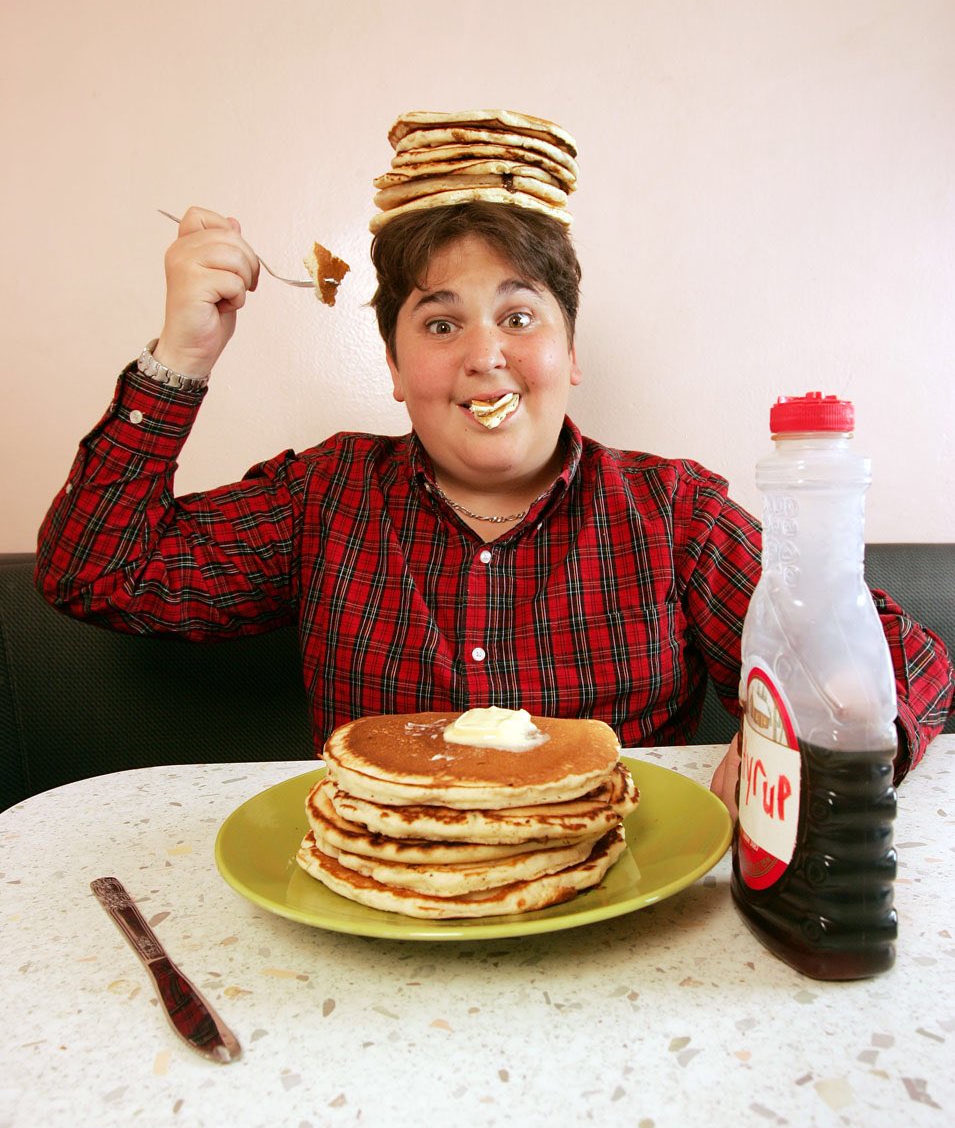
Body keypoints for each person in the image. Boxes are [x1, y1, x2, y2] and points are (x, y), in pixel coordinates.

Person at [34, 203, 954, 817]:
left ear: (570, 352)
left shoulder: (669, 511)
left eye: (519, 318)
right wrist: (181, 355)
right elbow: (97, 574)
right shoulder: (322, 497)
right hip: (380, 907)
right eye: (440, 323)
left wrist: (789, 749)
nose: (485, 355)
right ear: (393, 372)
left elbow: (907, 664)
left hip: (621, 899)